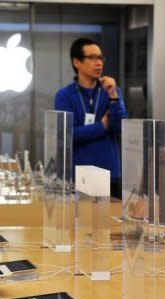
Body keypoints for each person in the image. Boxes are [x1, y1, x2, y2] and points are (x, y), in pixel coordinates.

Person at [55, 38, 127, 199]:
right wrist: (101, 126)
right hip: (79, 173)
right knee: (81, 223)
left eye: (100, 58)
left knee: (111, 223)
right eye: (92, 58)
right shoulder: (64, 95)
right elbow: (68, 135)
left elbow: (121, 127)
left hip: (109, 171)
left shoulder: (111, 91)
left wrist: (114, 97)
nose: (99, 63)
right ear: (77, 62)